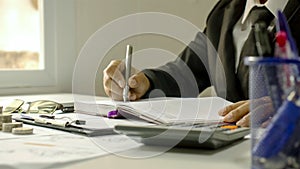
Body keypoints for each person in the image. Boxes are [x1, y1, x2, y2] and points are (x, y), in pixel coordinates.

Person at [103, 0, 300, 127]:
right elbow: (185, 71)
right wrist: (144, 82)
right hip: (224, 155)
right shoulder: (224, 12)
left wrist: (292, 106)